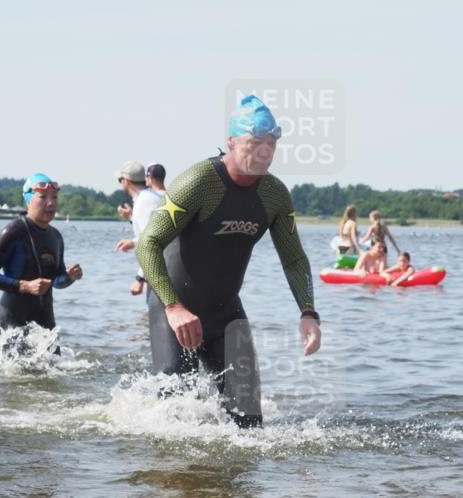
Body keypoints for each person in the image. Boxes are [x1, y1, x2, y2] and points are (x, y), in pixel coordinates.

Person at [135, 94, 321, 428]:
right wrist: (174, 308)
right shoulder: (200, 182)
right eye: (254, 143)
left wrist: (308, 312)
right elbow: (148, 243)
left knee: (250, 424)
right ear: (231, 142)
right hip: (175, 310)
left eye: (270, 145)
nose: (263, 152)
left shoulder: (274, 195)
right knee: (172, 423)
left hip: (226, 315)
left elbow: (294, 258)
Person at [0, 173, 82, 332]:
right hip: (12, 319)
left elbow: (56, 281)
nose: (50, 203)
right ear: (28, 200)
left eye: (54, 197)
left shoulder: (56, 237)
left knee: (55, 350)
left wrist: (70, 277)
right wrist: (25, 286)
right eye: (43, 197)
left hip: (45, 319)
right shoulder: (13, 231)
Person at [113, 161, 164, 296]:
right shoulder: (152, 196)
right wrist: (133, 242)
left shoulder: (143, 201)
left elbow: (151, 242)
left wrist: (139, 279)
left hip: (161, 274)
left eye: (120, 180)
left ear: (126, 181)